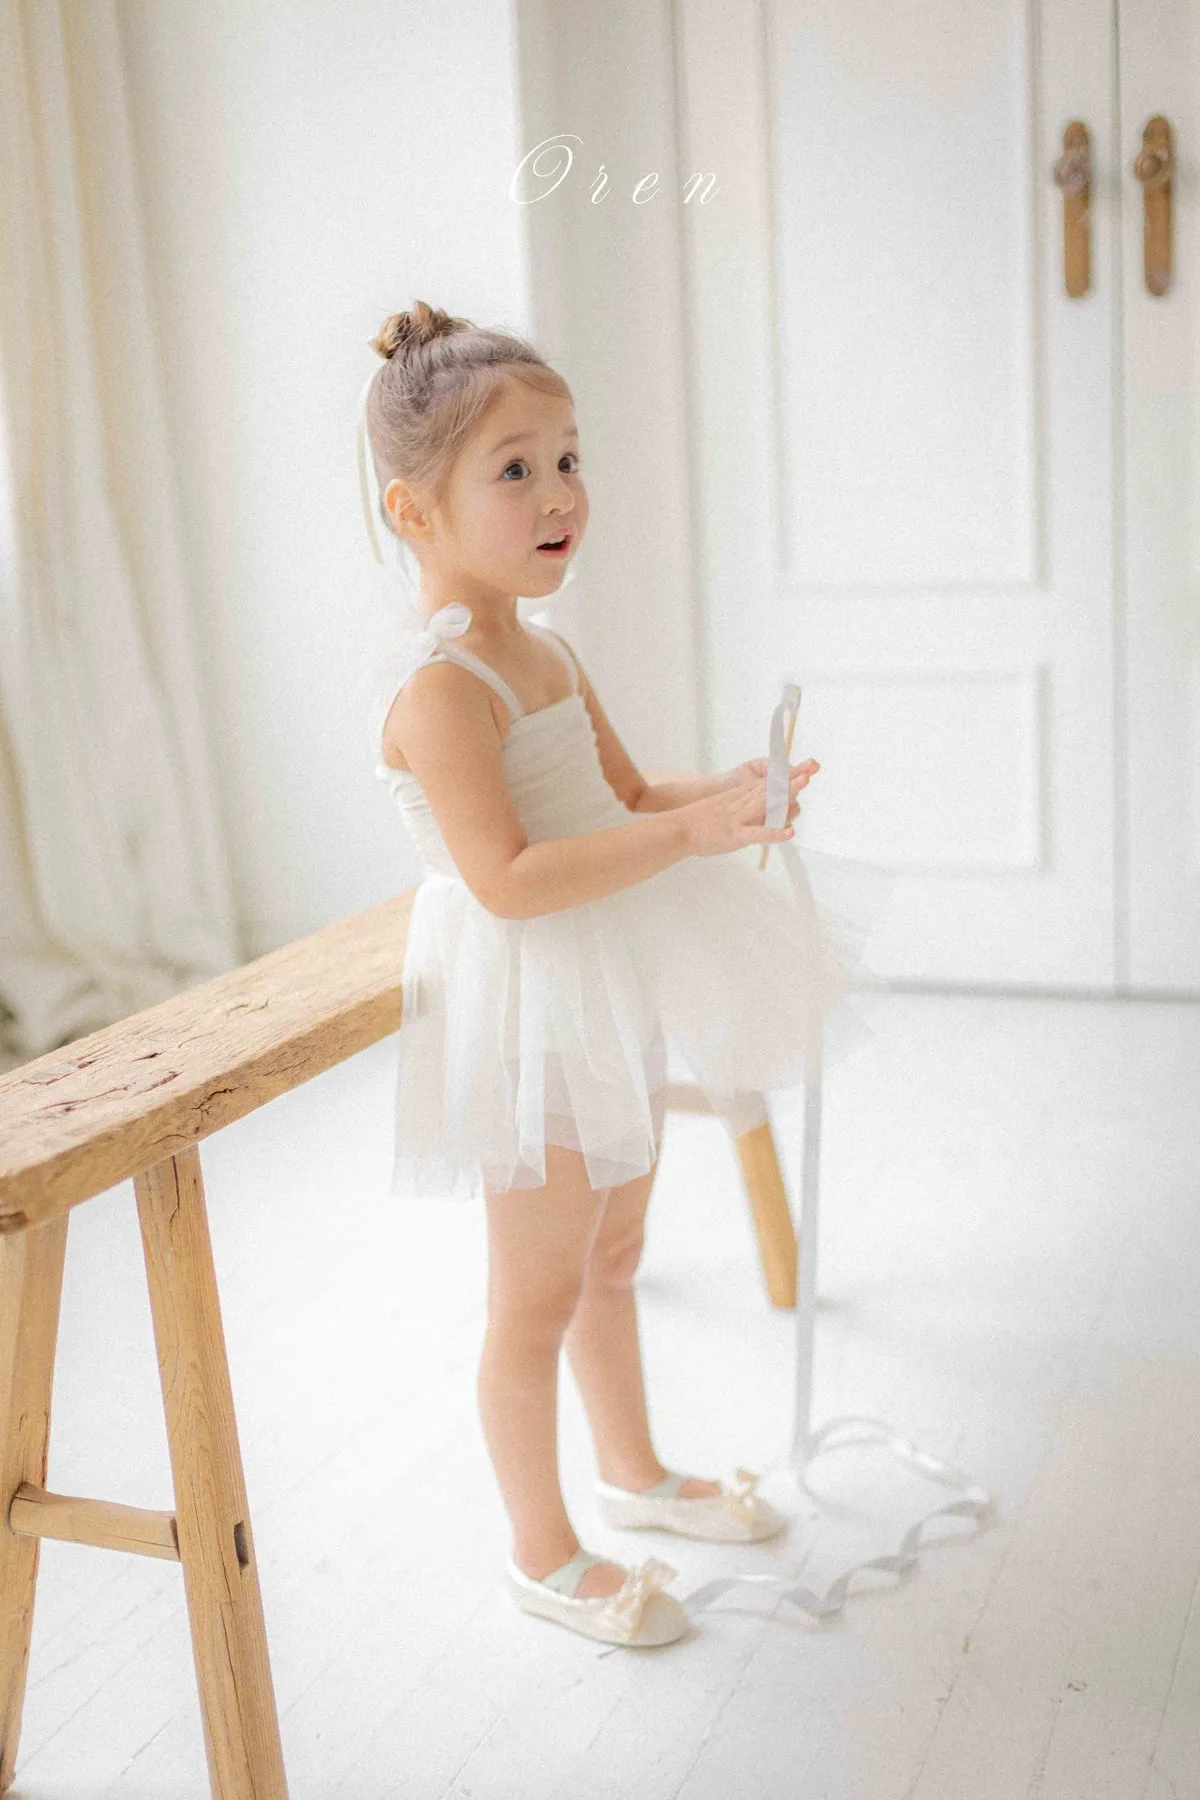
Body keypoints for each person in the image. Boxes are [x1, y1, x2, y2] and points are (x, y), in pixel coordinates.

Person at [359, 301, 891, 1649]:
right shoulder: (441, 689)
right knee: (533, 1294)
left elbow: (627, 796)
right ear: (414, 512)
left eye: (569, 459)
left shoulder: (546, 650)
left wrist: (726, 795)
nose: (559, 495)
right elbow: (507, 876)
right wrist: (685, 837)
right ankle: (541, 1553)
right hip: (528, 1005)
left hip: (606, 978)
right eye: (516, 469)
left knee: (614, 1252)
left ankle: (634, 1474)